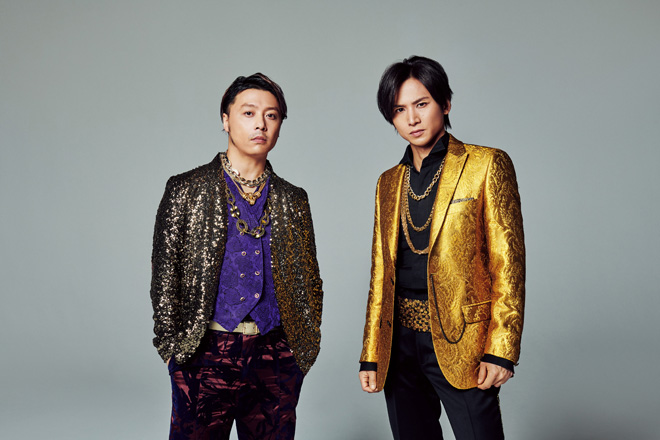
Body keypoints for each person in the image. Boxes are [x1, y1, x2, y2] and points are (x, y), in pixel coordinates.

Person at [359, 56, 525, 440]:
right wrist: (371, 352)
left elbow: (508, 263)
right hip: (399, 344)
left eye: (422, 104)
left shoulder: (486, 164)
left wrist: (501, 349)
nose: (412, 119)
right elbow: (381, 273)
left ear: (445, 103)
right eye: (399, 110)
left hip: (464, 339)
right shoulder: (388, 182)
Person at [150, 73, 323, 440]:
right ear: (226, 120)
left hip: (275, 356)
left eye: (271, 115)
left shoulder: (294, 199)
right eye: (248, 113)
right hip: (204, 353)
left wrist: (301, 350)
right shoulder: (186, 190)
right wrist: (172, 351)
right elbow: (165, 278)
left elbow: (310, 280)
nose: (261, 123)